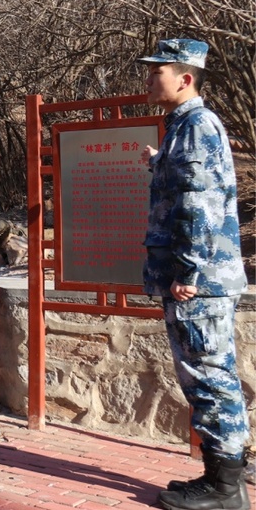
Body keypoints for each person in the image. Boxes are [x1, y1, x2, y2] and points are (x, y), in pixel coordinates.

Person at [138, 38, 250, 510]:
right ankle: (218, 477)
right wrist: (159, 162)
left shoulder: (198, 125)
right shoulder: (184, 126)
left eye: (157, 71)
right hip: (196, 280)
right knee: (202, 376)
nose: (148, 78)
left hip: (197, 284)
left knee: (208, 377)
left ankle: (227, 489)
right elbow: (191, 187)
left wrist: (187, 270)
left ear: (185, 78)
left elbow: (199, 205)